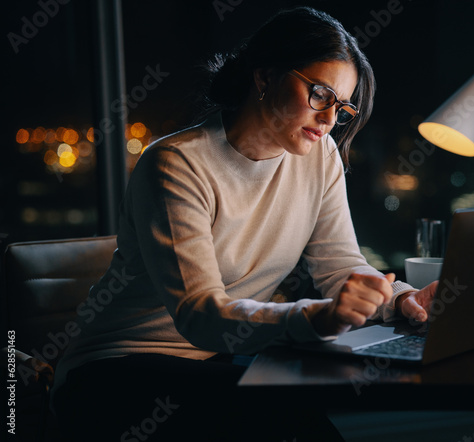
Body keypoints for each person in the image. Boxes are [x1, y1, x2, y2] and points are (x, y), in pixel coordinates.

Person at [52, 7, 436, 441]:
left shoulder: (320, 156)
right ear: (264, 76)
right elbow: (198, 314)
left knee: (304, 422)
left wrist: (403, 299)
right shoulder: (176, 164)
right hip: (117, 369)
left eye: (342, 106)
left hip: (219, 357)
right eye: (320, 94)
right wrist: (317, 318)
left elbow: (339, 266)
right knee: (291, 423)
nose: (329, 119)